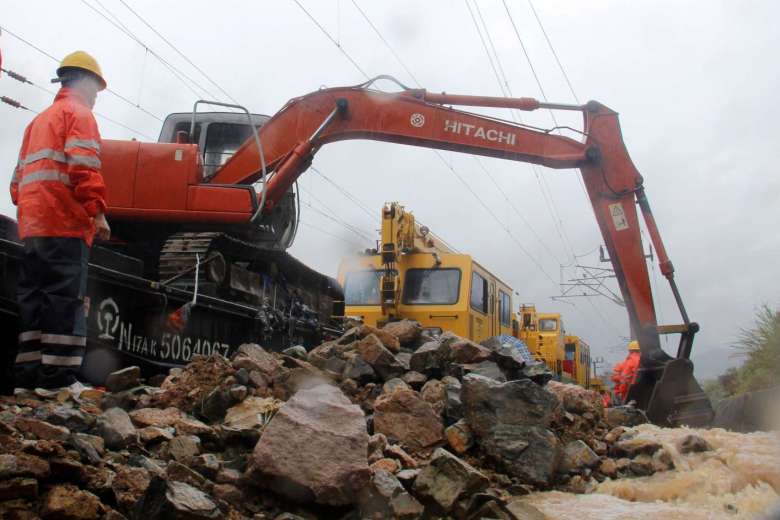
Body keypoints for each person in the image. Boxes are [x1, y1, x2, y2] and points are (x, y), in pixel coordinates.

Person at [10, 51, 110, 389]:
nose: (97, 95)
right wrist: (97, 212)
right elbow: (84, 168)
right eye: (96, 87)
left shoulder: (36, 123)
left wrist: (33, 209)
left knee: (34, 298)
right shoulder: (78, 115)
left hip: (33, 227)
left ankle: (27, 376)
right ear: (84, 82)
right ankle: (57, 380)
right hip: (65, 224)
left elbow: (15, 184)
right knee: (64, 299)